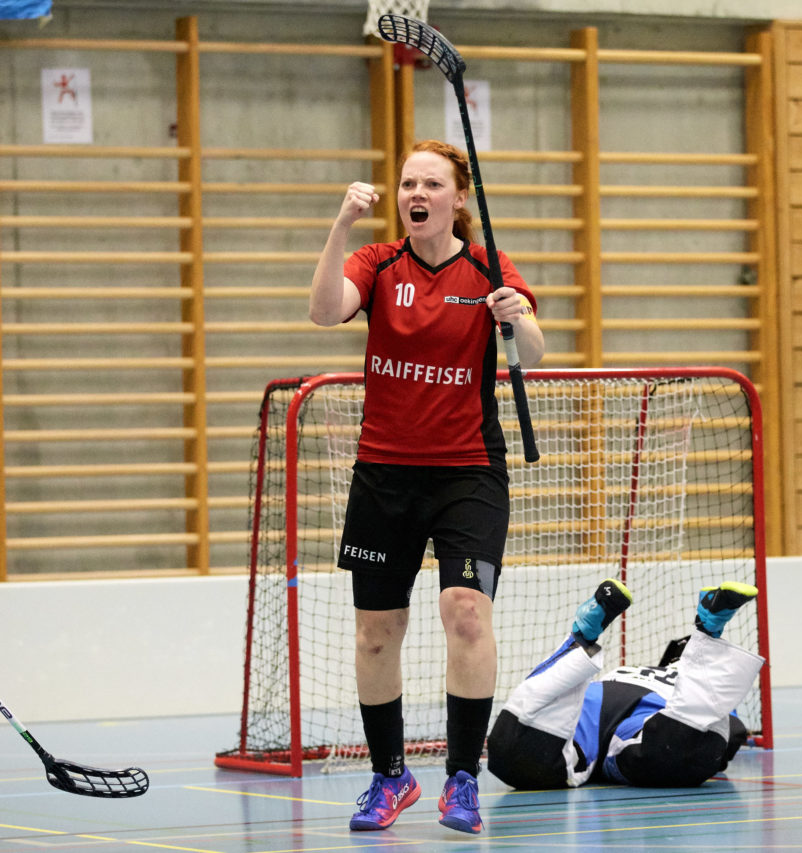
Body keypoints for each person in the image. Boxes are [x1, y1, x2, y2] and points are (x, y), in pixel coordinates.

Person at [308, 139, 544, 834]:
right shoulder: (377, 263)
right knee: (378, 631)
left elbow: (533, 352)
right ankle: (390, 776)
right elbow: (325, 312)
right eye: (408, 182)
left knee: (466, 610)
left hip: (468, 468)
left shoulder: (489, 265)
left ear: (458, 198)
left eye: (431, 183)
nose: (417, 193)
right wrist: (341, 225)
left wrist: (515, 316)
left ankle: (462, 776)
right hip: (384, 472)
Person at [486, 579, 764, 791]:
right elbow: (726, 733)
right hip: (652, 715)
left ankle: (581, 639)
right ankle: (707, 631)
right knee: (674, 754)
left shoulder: (627, 669)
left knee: (515, 757)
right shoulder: (686, 680)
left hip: (596, 702)